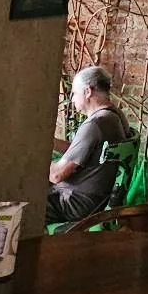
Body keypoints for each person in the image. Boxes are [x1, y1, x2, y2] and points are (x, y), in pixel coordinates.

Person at [47, 66, 133, 225]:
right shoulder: (116, 116)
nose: (71, 98)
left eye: (74, 93)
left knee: (25, 199)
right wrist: (48, 142)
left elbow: (56, 175)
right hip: (97, 198)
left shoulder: (95, 124)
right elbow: (83, 149)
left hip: (77, 203)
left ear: (88, 92)